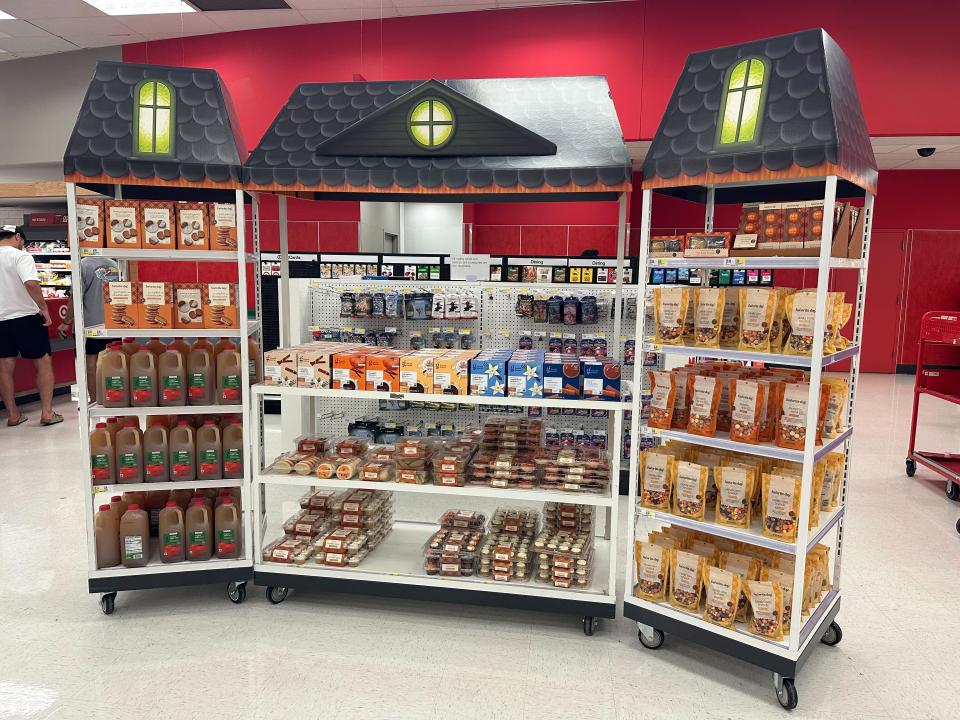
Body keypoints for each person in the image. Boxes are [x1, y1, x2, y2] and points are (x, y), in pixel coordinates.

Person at [0, 225, 61, 426]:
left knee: (4, 367)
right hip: (26, 317)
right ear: (18, 237)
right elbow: (31, 283)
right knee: (43, 362)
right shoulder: (20, 256)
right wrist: (43, 307)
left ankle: (13, 415)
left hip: (1, 320)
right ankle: (47, 413)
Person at [58, 255, 119, 401]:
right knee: (114, 361)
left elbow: (76, 297)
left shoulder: (84, 265)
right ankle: (115, 397)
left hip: (90, 325)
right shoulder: (114, 265)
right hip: (114, 322)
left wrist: (66, 321)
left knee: (91, 361)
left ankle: (96, 399)